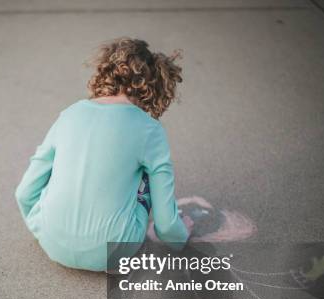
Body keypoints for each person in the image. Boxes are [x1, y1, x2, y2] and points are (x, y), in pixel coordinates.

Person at [15, 37, 193, 272]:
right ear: (155, 84)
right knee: (149, 172)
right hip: (115, 251)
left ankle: (62, 226)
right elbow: (166, 226)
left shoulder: (70, 114)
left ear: (105, 72)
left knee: (66, 162)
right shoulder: (150, 129)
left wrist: (40, 227)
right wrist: (181, 237)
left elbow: (24, 192)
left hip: (51, 242)